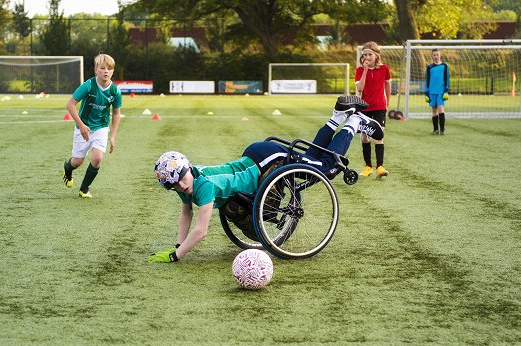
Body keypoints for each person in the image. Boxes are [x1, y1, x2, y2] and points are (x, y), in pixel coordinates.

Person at [149, 96, 383, 263]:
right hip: (255, 157)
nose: (180, 184)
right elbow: (186, 212)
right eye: (173, 184)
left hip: (266, 161)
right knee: (309, 160)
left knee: (325, 169)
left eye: (181, 177)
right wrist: (178, 245)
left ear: (187, 167)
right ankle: (338, 116)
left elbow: (201, 231)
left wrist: (175, 256)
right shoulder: (186, 183)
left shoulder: (204, 187)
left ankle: (354, 123)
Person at [62, 53, 122, 198]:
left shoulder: (115, 91)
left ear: (113, 71)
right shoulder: (88, 85)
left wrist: (112, 136)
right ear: (96, 70)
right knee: (77, 162)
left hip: (101, 127)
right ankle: (67, 169)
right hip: (84, 127)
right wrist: (81, 125)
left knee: (97, 158)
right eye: (102, 68)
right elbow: (70, 104)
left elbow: (116, 113)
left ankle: (84, 189)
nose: (106, 71)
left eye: (109, 68)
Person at [355, 41, 391, 178]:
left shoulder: (384, 69)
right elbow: (360, 89)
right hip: (364, 108)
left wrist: (388, 102)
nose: (367, 58)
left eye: (369, 54)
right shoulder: (359, 70)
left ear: (376, 55)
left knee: (379, 135)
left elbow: (387, 86)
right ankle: (368, 166)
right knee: (365, 136)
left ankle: (380, 167)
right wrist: (364, 70)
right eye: (364, 55)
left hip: (380, 107)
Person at [425, 48, 450, 135]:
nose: (436, 56)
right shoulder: (429, 67)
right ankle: (436, 129)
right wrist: (426, 93)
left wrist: (446, 91)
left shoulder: (444, 66)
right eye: (434, 55)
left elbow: (447, 79)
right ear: (432, 56)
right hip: (431, 92)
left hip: (441, 92)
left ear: (440, 55)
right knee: (434, 111)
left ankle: (442, 129)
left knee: (440, 109)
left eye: (437, 55)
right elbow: (427, 80)